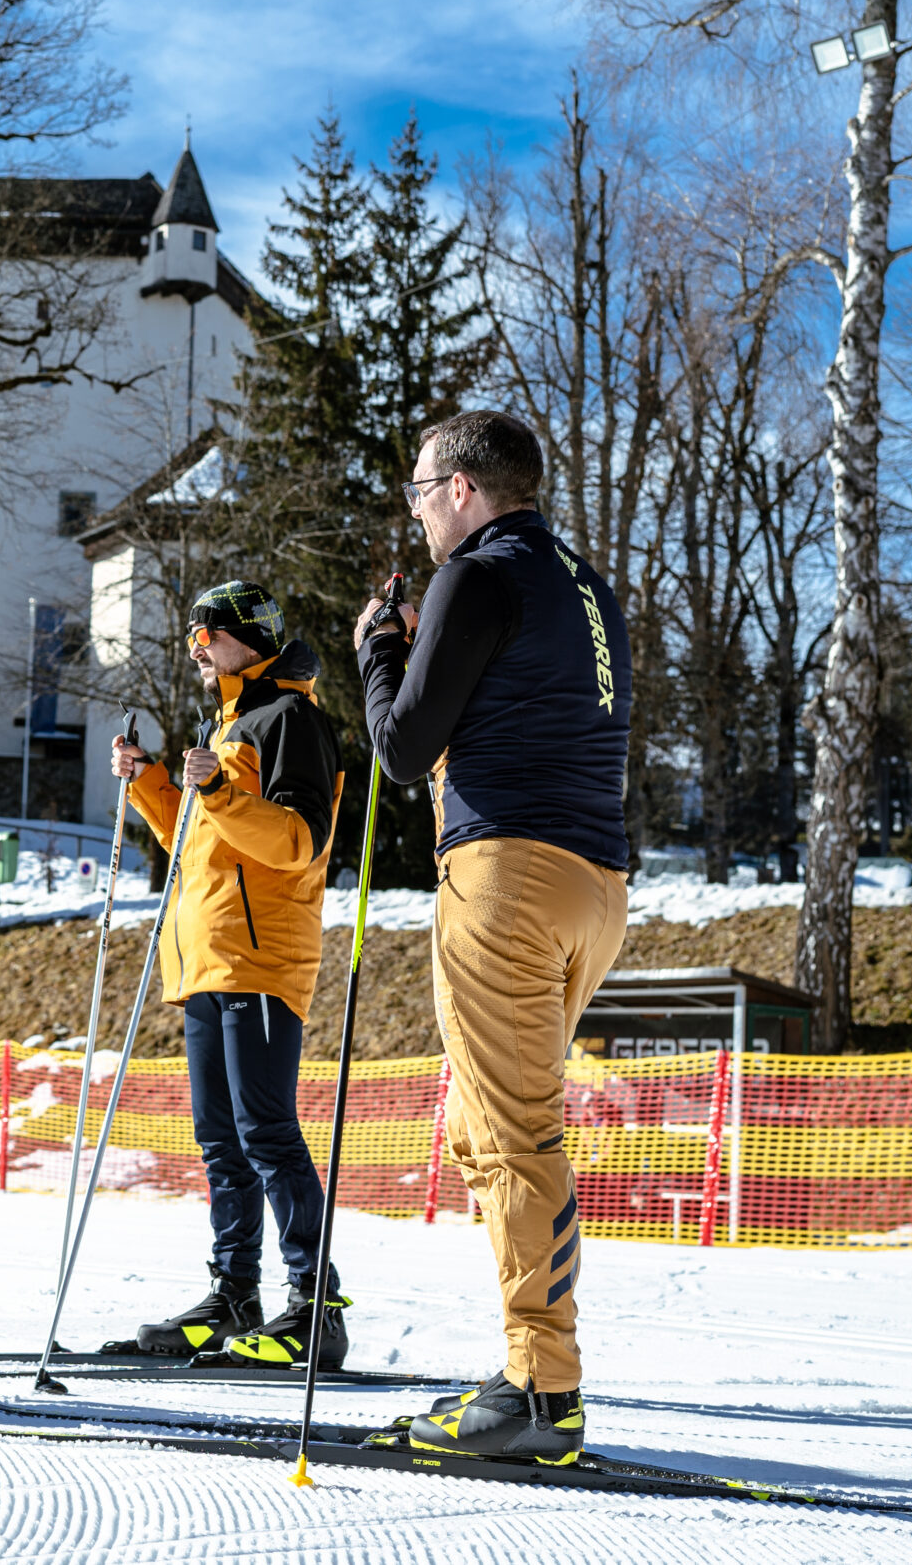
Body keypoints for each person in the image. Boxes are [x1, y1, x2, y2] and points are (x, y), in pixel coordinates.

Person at [354, 410, 631, 1464]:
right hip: (590, 880)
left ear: (464, 489)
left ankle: (538, 1389)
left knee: (513, 1135)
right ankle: (527, 1373)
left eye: (423, 492)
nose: (419, 513)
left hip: (506, 872)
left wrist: (381, 650)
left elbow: (400, 746)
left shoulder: (477, 572)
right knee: (481, 1126)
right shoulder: (583, 583)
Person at [110, 580, 349, 1370]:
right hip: (207, 959)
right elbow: (196, 834)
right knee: (223, 1139)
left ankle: (314, 1306)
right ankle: (235, 1292)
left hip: (262, 958)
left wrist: (215, 786)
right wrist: (153, 782)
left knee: (266, 1130)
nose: (199, 652)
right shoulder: (234, 723)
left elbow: (296, 840)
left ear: (251, 638)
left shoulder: (290, 720)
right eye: (192, 641)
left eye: (207, 636)